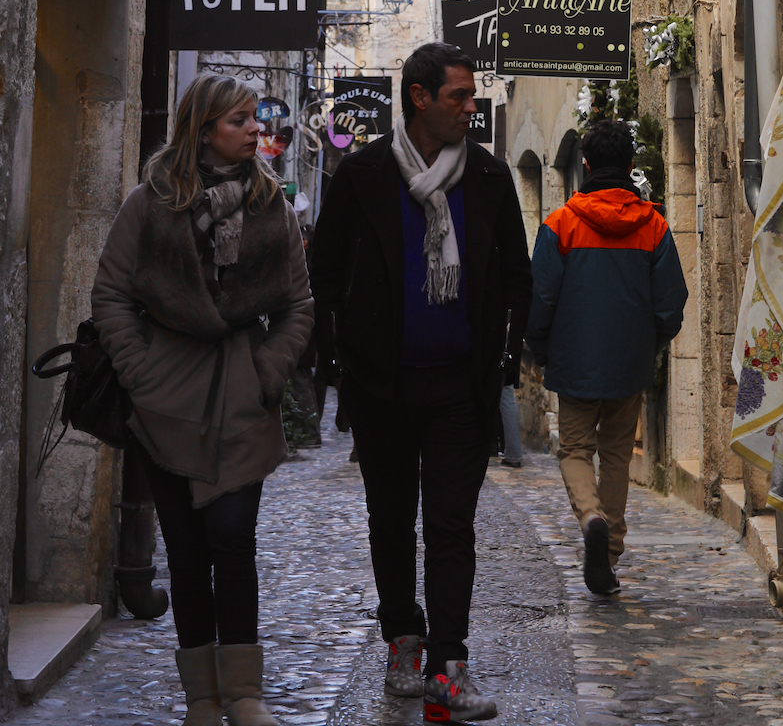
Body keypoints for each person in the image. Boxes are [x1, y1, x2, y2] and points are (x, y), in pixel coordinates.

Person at [310, 43, 532, 723]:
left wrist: (505, 361)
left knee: (452, 525)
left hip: (459, 388)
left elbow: (517, 275)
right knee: (390, 519)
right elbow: (325, 270)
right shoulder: (364, 174)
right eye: (459, 96)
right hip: (382, 385)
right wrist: (338, 362)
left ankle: (448, 664)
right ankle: (402, 637)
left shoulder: (490, 178)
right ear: (419, 98)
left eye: (471, 96)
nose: (472, 107)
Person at [91, 75, 313, 726]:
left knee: (232, 534)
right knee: (186, 549)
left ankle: (244, 693)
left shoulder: (272, 203)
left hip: (242, 390)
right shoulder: (150, 203)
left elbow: (298, 304)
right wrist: (142, 373)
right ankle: (202, 699)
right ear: (204, 128)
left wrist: (269, 372)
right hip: (166, 400)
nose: (255, 131)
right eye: (241, 121)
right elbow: (111, 294)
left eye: (255, 120)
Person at [525, 118, 687, 596]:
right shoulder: (653, 225)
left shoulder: (560, 224)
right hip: (629, 363)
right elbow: (670, 305)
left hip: (573, 361)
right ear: (631, 167)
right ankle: (609, 554)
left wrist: (540, 349)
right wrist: (651, 343)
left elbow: (541, 298)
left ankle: (591, 517)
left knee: (575, 449)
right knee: (617, 455)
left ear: (587, 164)